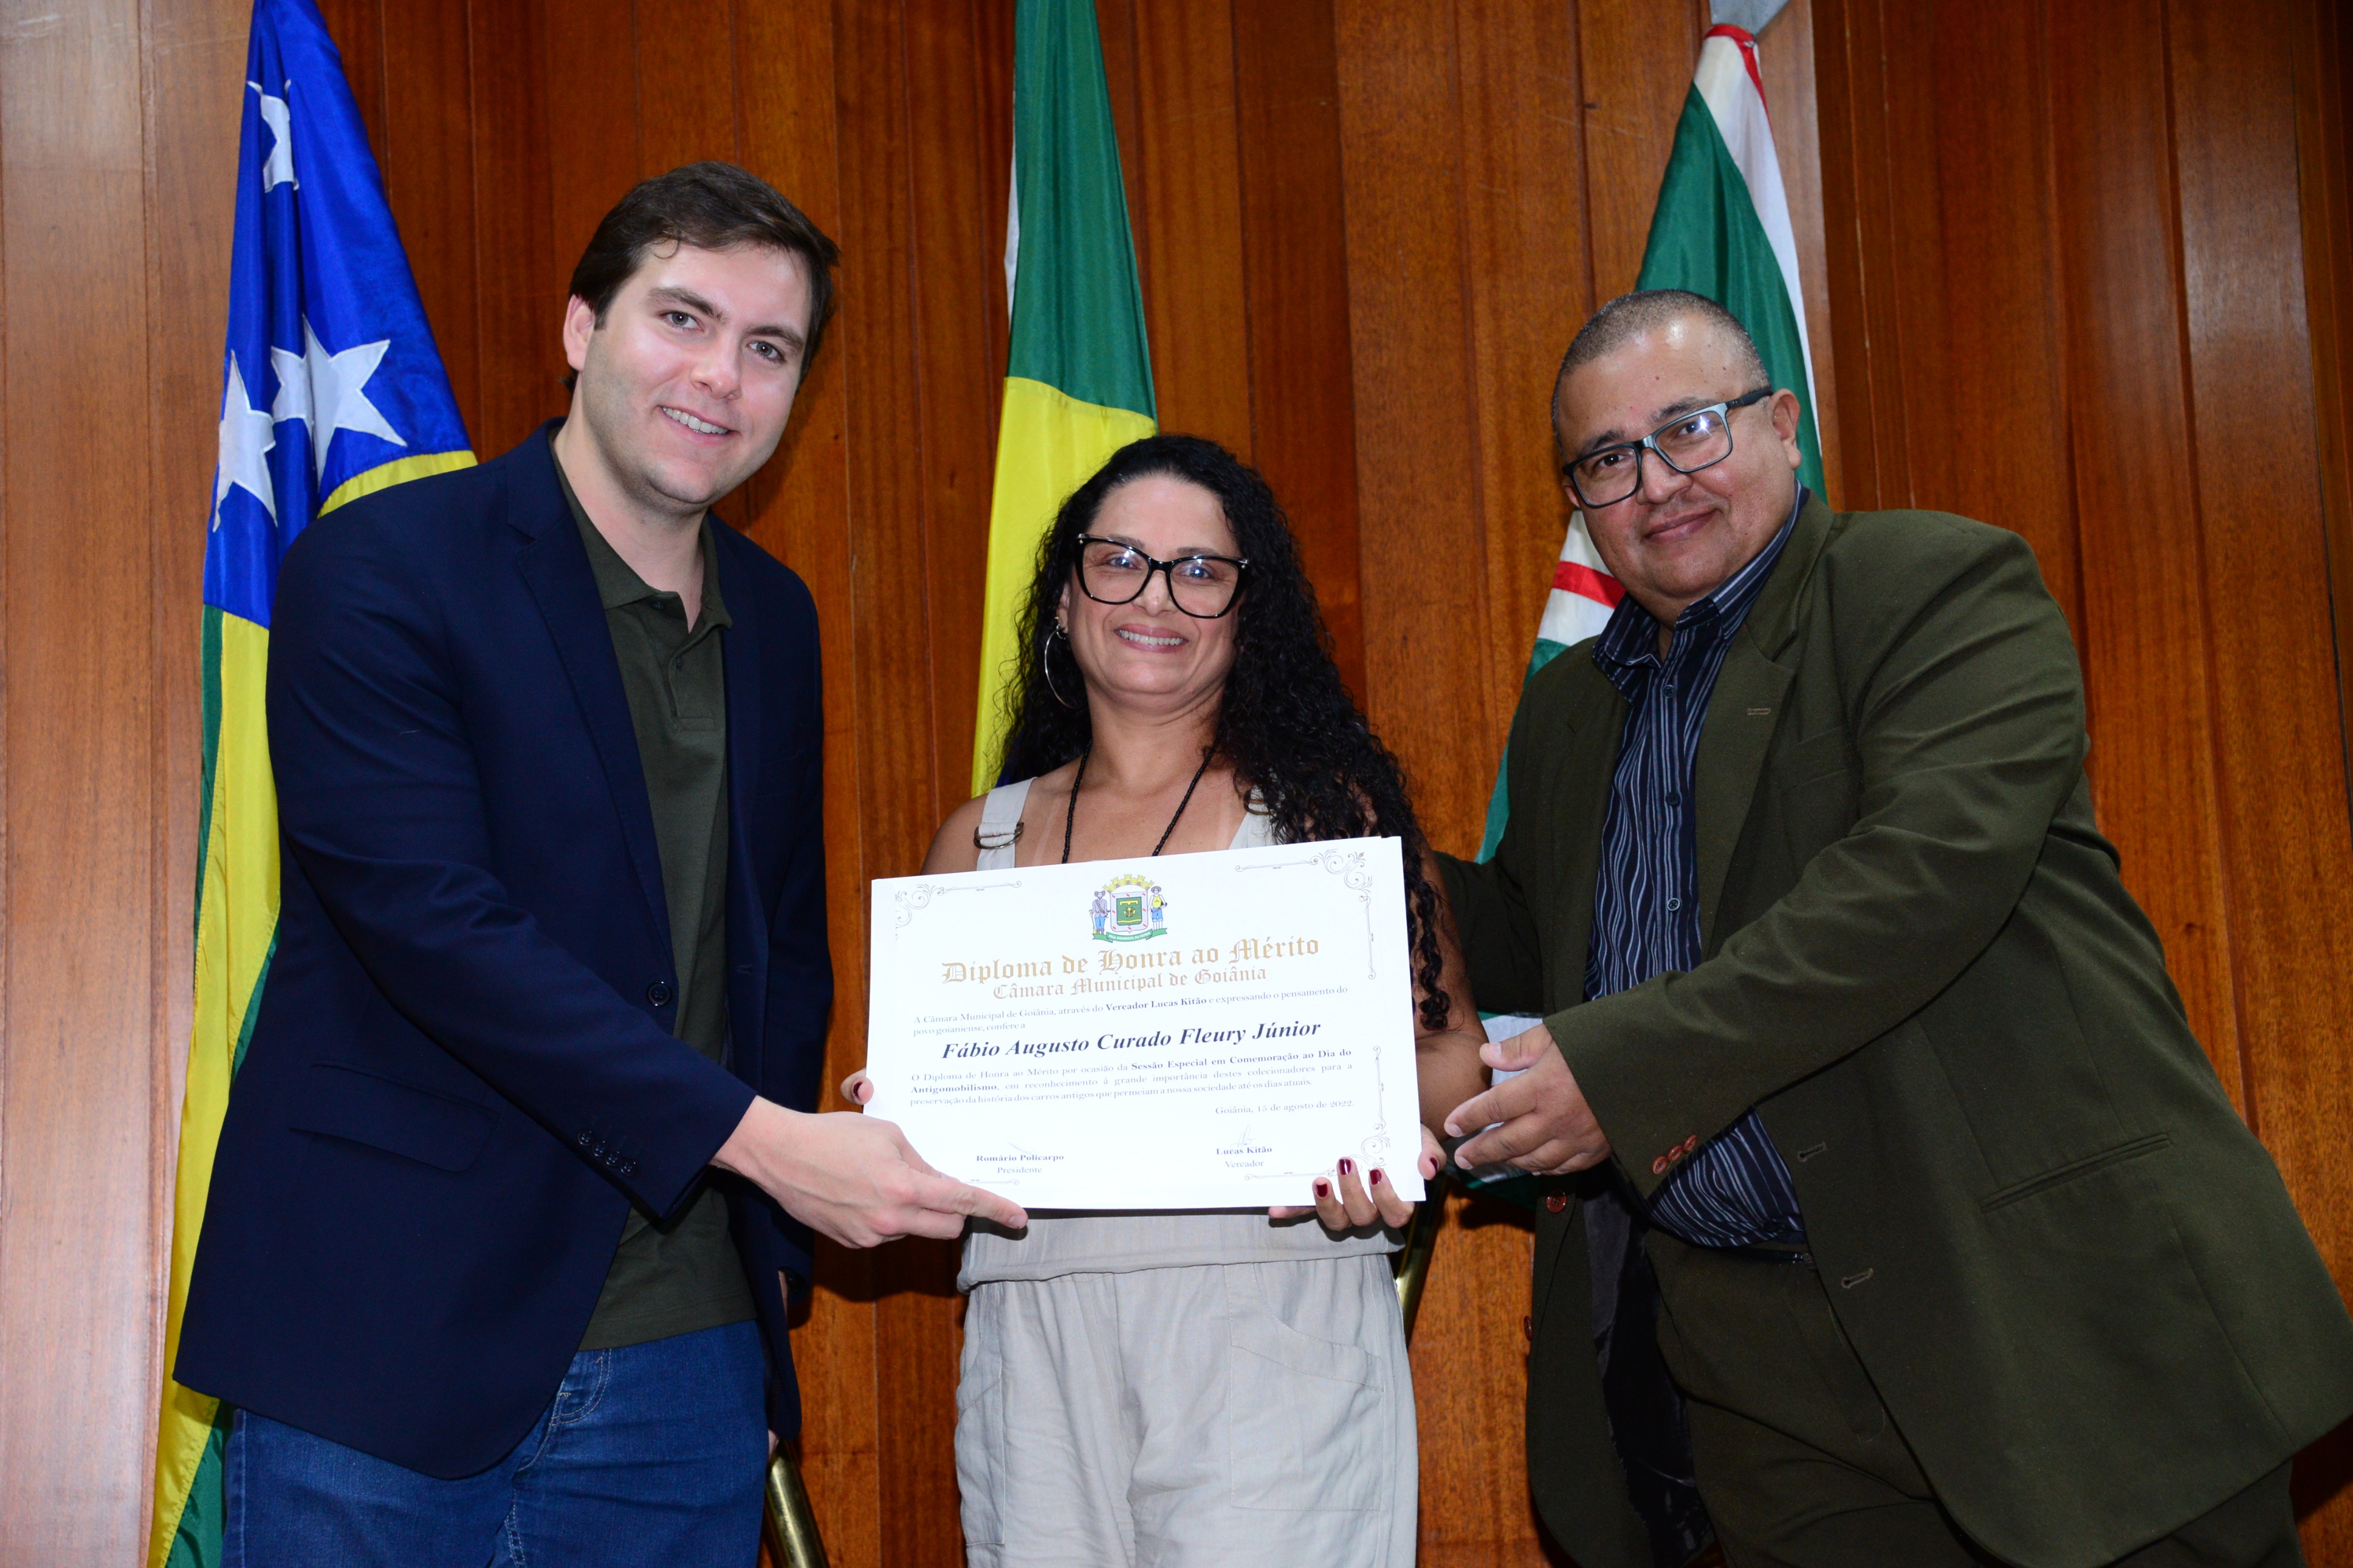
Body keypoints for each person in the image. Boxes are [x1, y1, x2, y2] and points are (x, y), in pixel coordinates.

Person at [177, 162, 1023, 1566]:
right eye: (682, 319)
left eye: (770, 348)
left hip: (686, 1359)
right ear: (581, 328)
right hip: (386, 1328)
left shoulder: (778, 616)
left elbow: (774, 954)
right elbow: (434, 928)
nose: (722, 377)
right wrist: (771, 1148)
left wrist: (770, 1266)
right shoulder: (380, 565)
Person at [1438, 289, 2353, 1568]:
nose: (1655, 483)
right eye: (1607, 459)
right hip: (1761, 1384)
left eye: (1689, 429)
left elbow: (1922, 878)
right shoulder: (1568, 712)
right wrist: (1326, 838)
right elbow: (1544, 945)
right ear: (1580, 502)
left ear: (1782, 425)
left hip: (2042, 1320)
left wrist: (1623, 1073)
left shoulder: (1932, 585)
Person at [845, 434, 1487, 1566]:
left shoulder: (1329, 823)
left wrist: (1390, 1134)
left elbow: (1452, 1058)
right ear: (1065, 598)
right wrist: (899, 1119)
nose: (1156, 596)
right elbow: (918, 1125)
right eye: (1120, 561)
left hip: (1275, 1318)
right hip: (1032, 1340)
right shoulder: (977, 839)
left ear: (1248, 614)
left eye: (1200, 570)